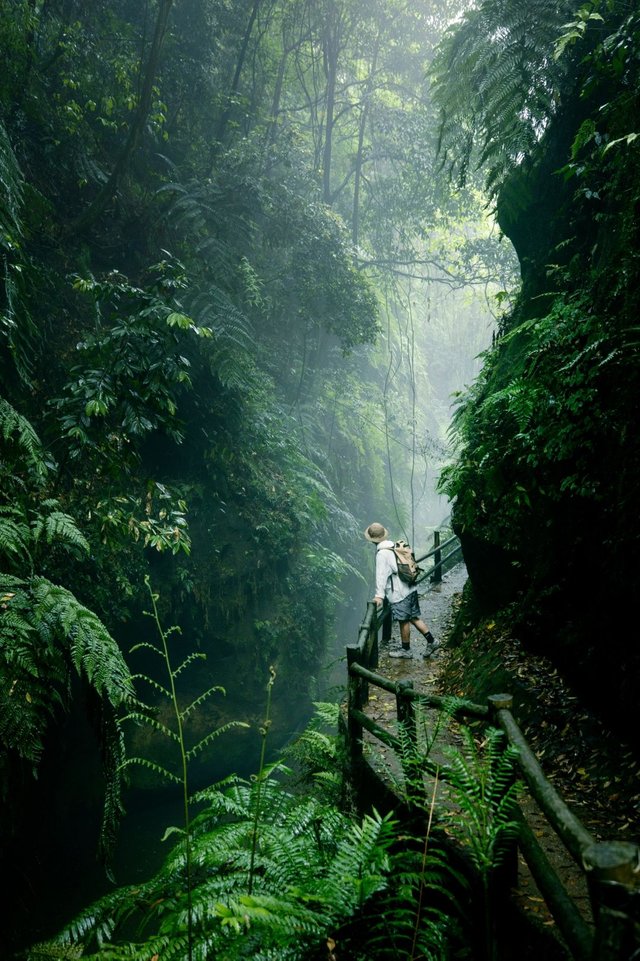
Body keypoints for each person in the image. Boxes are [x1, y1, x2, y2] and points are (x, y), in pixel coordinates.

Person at [364, 522, 438, 659]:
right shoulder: (394, 546)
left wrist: (379, 596)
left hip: (399, 592)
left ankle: (406, 650)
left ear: (372, 540)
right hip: (410, 587)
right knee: (414, 617)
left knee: (403, 621)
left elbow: (381, 576)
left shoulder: (382, 554)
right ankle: (432, 641)